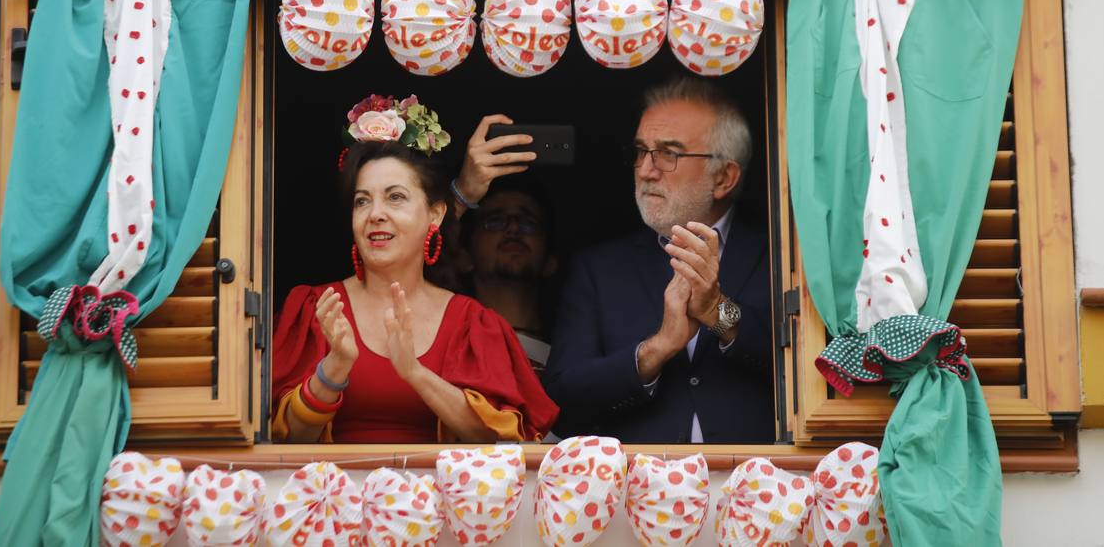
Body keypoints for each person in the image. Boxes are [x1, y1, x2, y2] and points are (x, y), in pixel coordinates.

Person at [270, 95, 558, 443]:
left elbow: (496, 441)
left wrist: (414, 372)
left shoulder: (472, 322)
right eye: (362, 201)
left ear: (435, 214)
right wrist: (334, 368)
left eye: (395, 197)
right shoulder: (316, 308)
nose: (375, 213)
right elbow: (286, 442)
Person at [531, 78, 773, 442]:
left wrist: (719, 313)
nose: (645, 170)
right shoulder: (599, 269)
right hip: (637, 490)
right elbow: (560, 402)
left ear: (724, 177)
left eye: (668, 153)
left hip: (763, 485)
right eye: (641, 151)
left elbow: (809, 371)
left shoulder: (782, 254)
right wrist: (655, 350)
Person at [462, 177, 559, 371]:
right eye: (495, 221)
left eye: (528, 223)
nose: (513, 228)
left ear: (551, 262)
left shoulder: (573, 356)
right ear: (465, 257)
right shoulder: (446, 345)